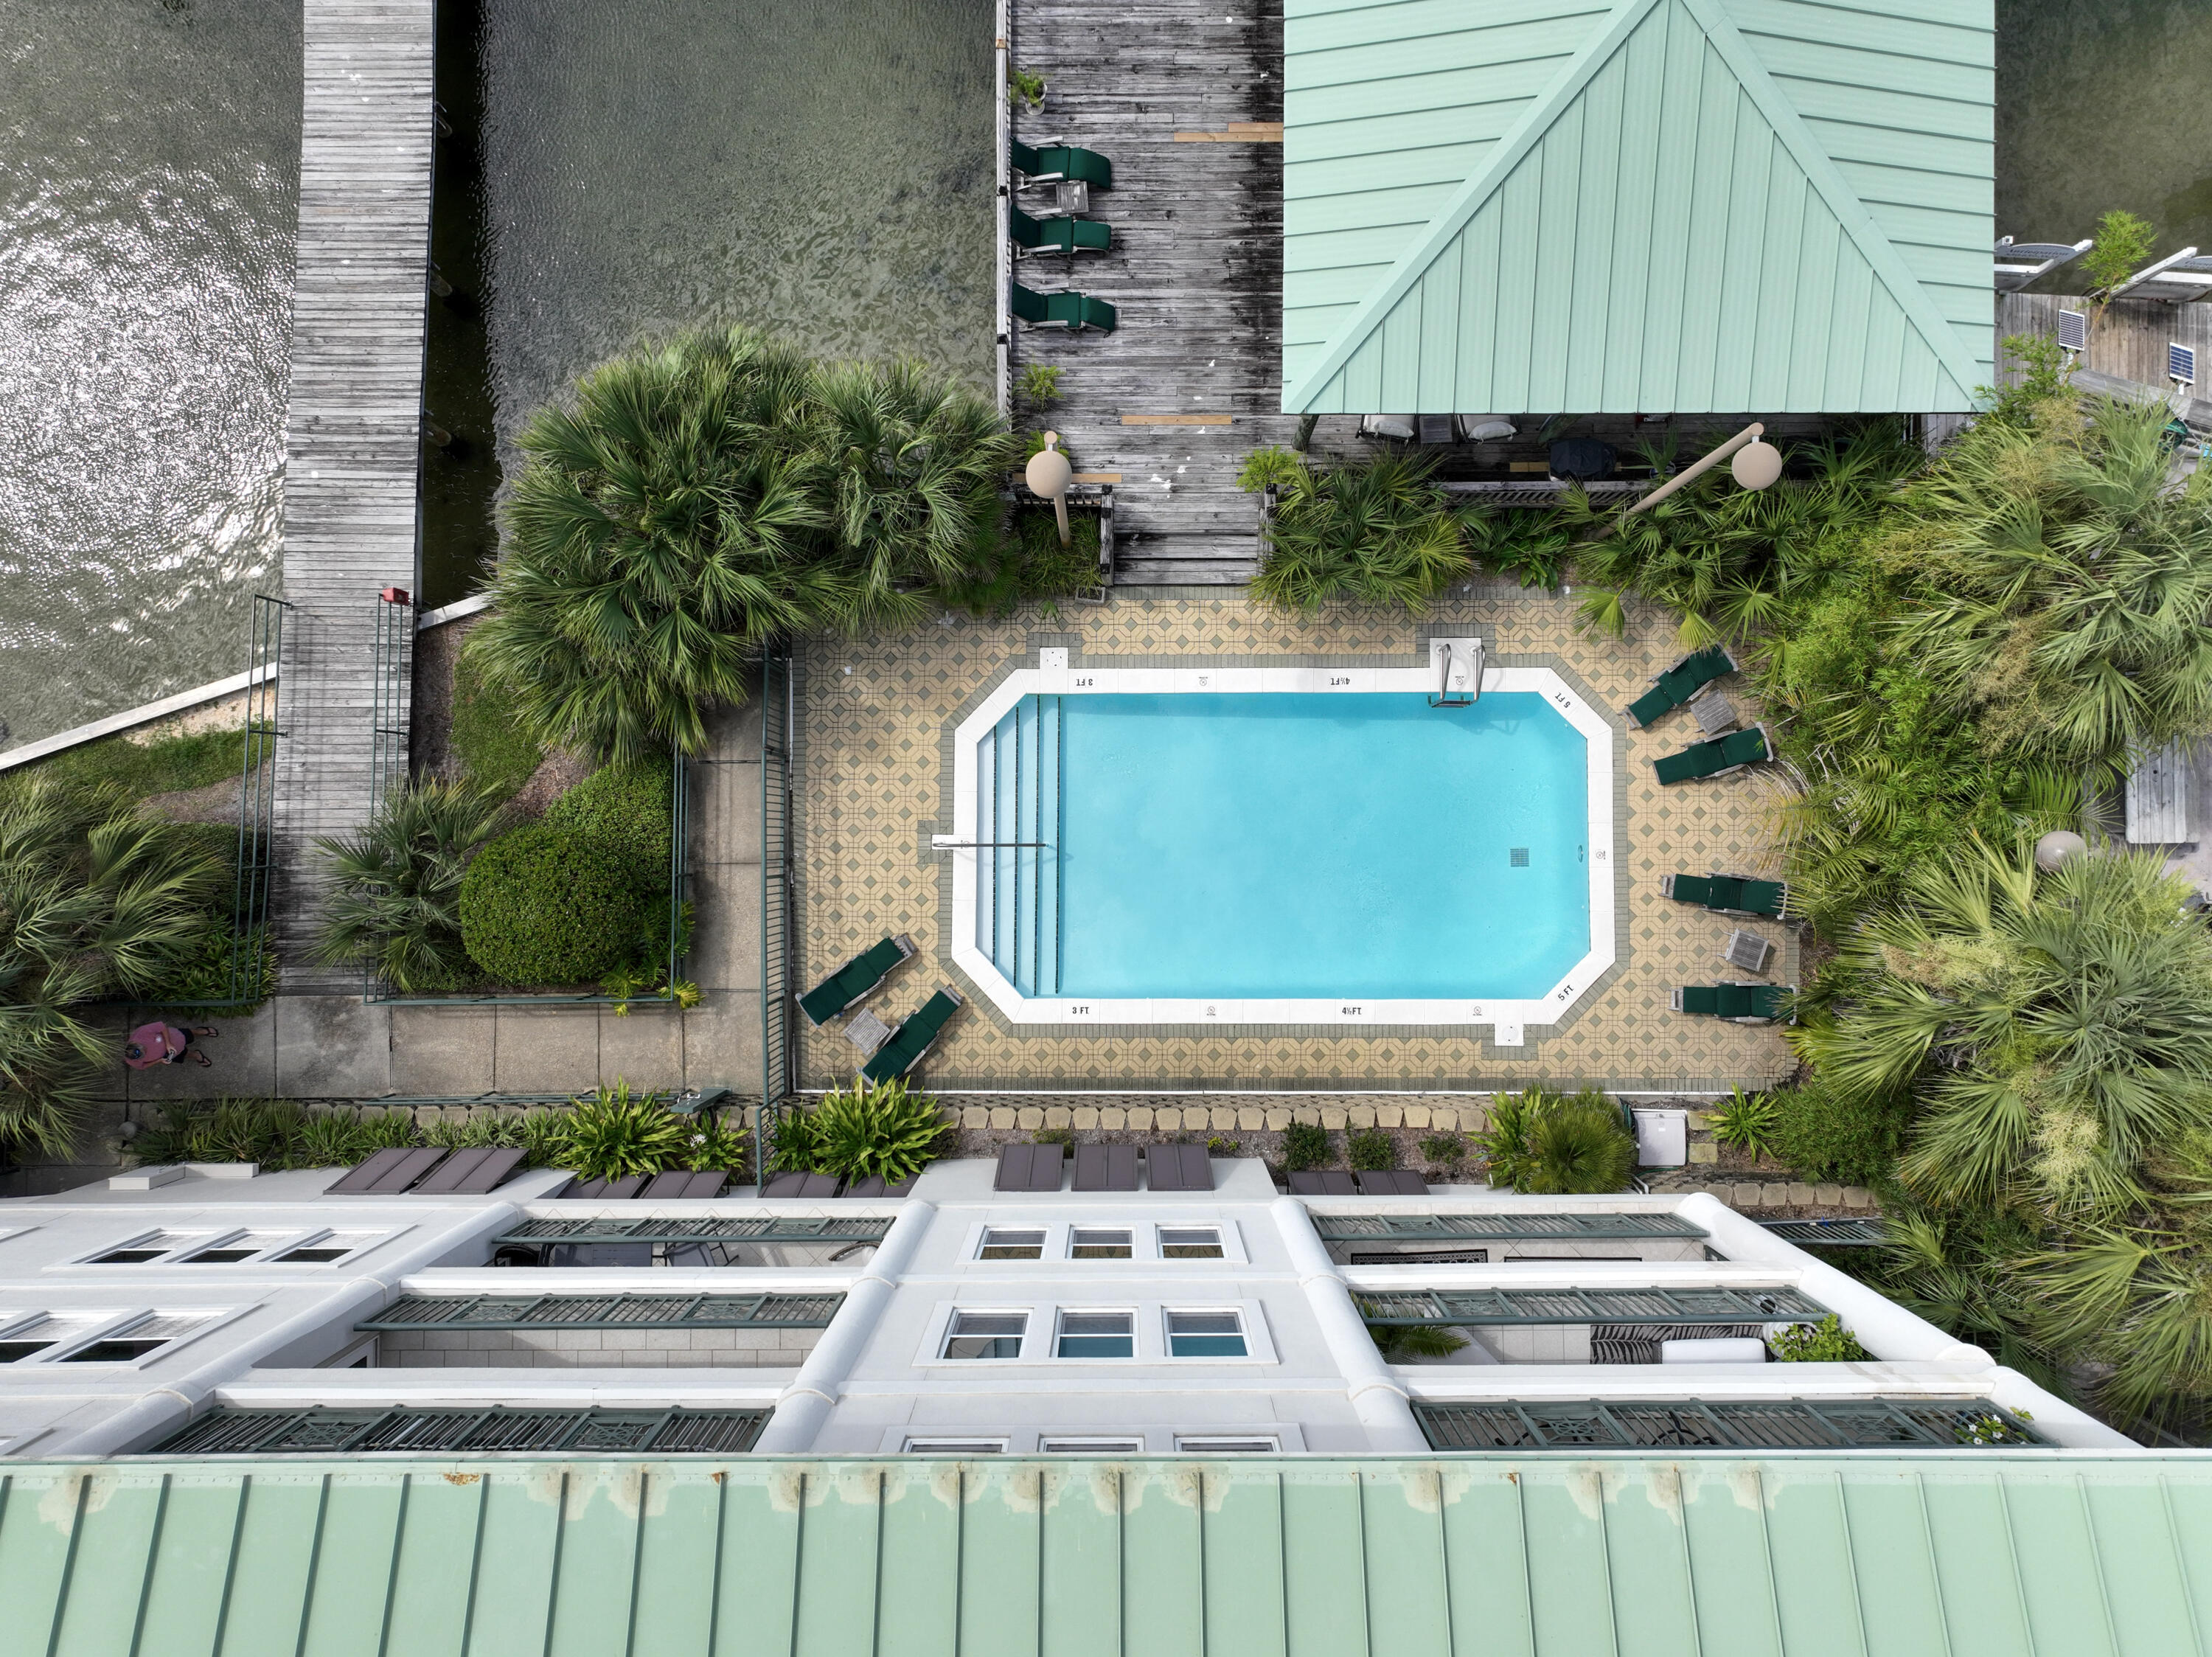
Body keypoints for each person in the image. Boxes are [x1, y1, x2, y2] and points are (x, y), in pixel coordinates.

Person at [124, 1021, 217, 1069]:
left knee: (188, 1034)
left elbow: (162, 1026)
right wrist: (159, 1060)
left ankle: (199, 1031)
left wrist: (168, 1043)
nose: (147, 1052)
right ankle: (196, 1055)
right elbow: (142, 1066)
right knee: (184, 1054)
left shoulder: (142, 1033)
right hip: (169, 1054)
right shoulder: (131, 1060)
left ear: (136, 1044)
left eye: (145, 1049)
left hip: (175, 1037)